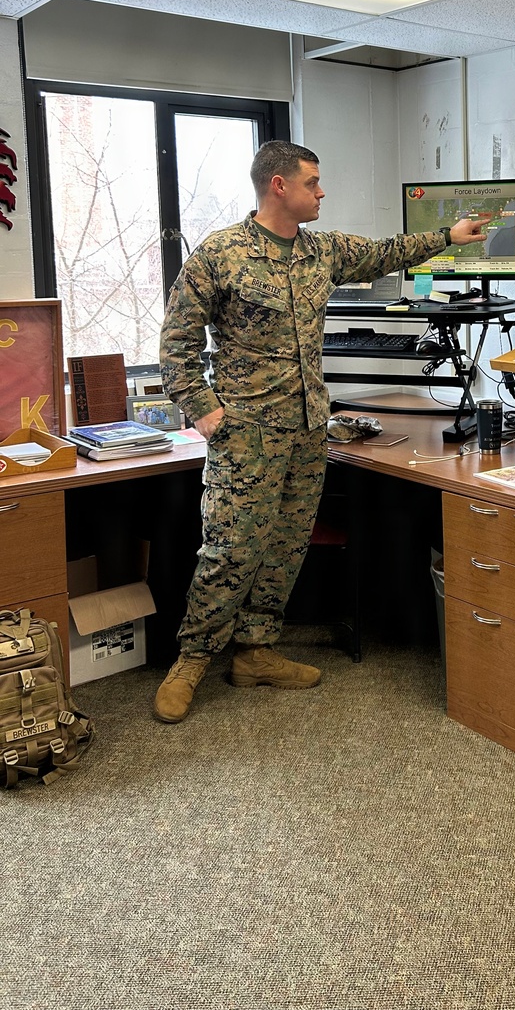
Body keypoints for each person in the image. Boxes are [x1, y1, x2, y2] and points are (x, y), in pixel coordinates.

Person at [154, 140, 487, 723]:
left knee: (285, 546)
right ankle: (193, 657)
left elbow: (386, 251)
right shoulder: (221, 254)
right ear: (278, 185)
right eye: (313, 181)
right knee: (230, 550)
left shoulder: (322, 252)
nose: (322, 191)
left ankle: (255, 650)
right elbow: (176, 343)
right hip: (246, 434)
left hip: (310, 431)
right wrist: (203, 408)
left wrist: (448, 237)